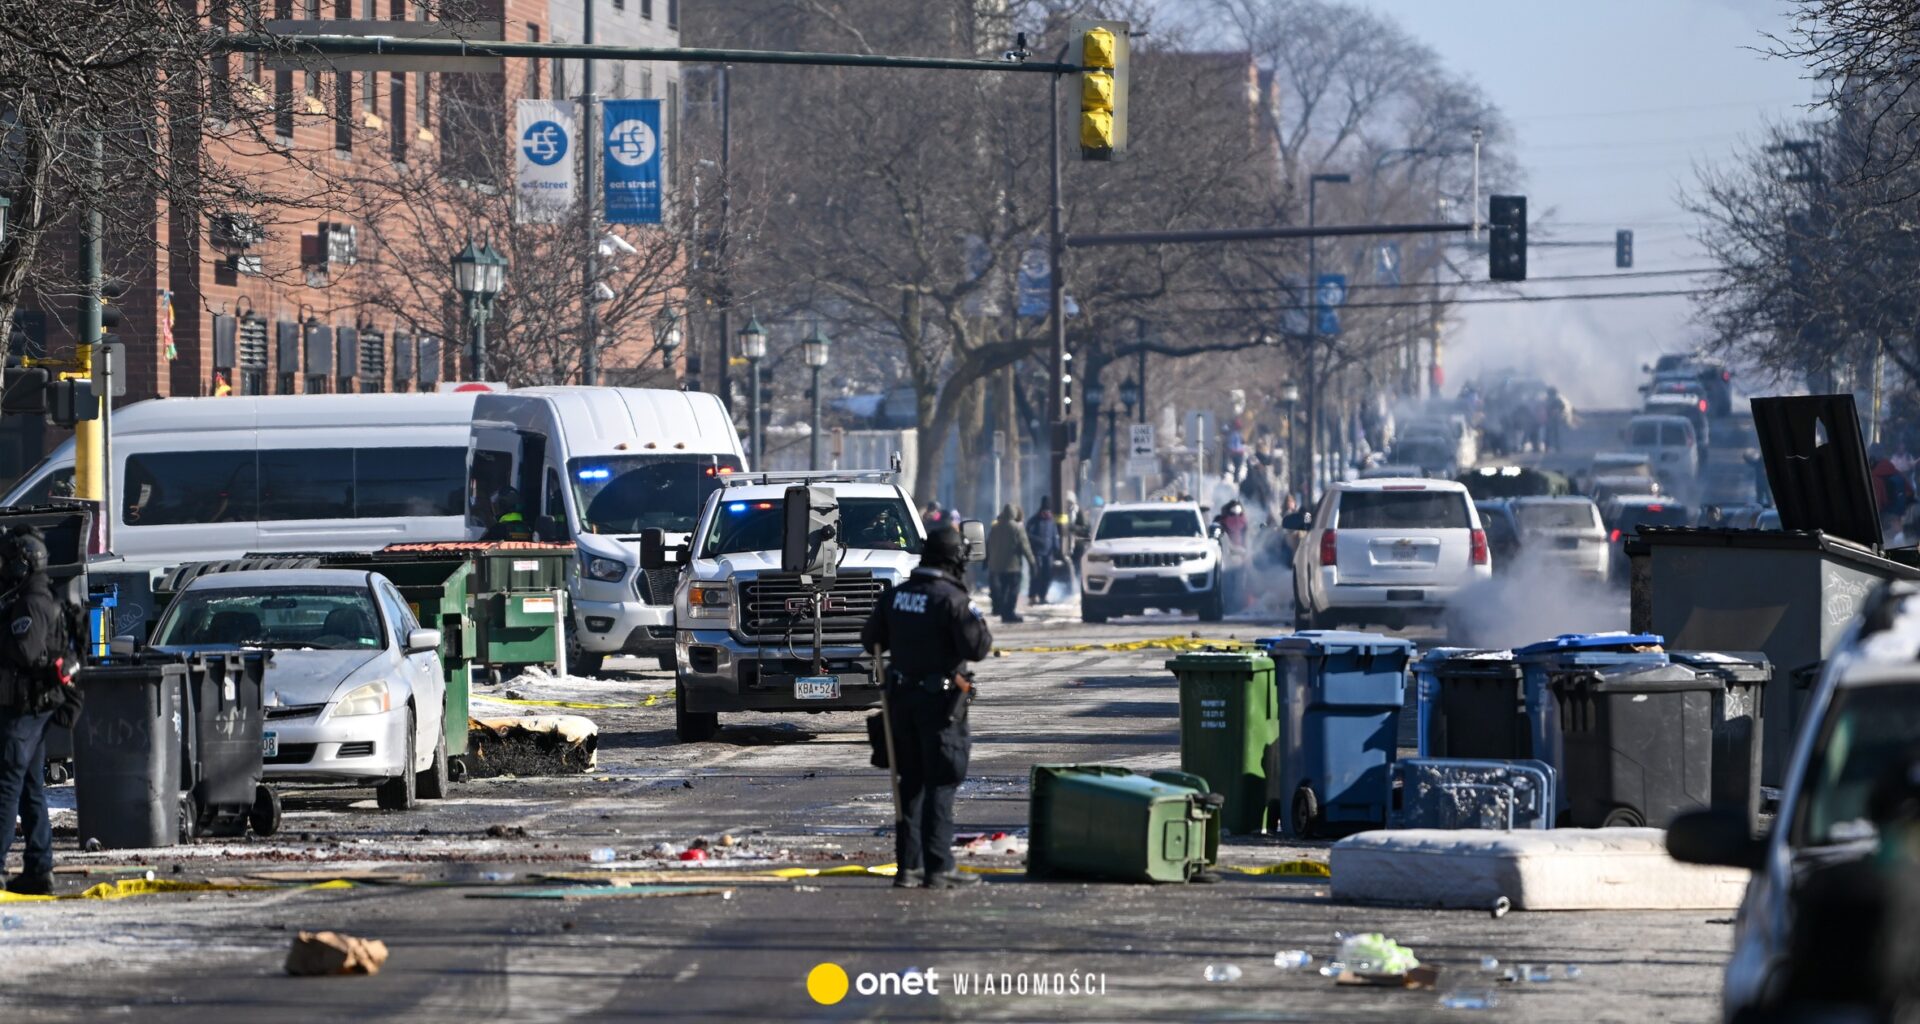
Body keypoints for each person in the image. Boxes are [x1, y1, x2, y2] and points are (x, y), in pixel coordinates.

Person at [861, 527, 993, 890]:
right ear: (954, 559)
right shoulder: (951, 599)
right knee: (942, 779)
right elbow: (977, 648)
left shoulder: (897, 596)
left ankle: (909, 867)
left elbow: (870, 639)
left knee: (912, 781)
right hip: (940, 705)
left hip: (901, 702)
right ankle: (939, 866)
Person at [0, 529, 81, 896]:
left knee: (7, 786)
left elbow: (27, 653)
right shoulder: (36, 596)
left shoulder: (32, 601)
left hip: (27, 708)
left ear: (24, 562)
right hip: (35, 707)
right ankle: (38, 868)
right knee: (31, 789)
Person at [984, 505, 1034, 624]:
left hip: (996, 565)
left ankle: (999, 609)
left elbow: (989, 544)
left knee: (1000, 589)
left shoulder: (995, 527)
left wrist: (986, 560)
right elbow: (1025, 546)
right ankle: (1009, 613)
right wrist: (1032, 563)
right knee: (1013, 590)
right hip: (1013, 566)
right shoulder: (1017, 528)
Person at [1025, 498, 1059, 604]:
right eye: (1045, 511)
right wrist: (1038, 541)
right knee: (1036, 575)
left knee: (1047, 576)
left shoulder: (1052, 522)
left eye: (1049, 511)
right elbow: (1027, 536)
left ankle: (1043, 596)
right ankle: (1032, 596)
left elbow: (1055, 536)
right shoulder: (1033, 521)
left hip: (1048, 555)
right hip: (1037, 554)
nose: (1047, 514)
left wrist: (1056, 548)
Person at [1544, 387, 1571, 453]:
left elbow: (1562, 407)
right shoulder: (1556, 399)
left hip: (1550, 419)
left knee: (1549, 434)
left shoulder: (1548, 400)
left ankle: (1548, 447)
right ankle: (1556, 447)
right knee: (1555, 434)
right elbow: (1562, 407)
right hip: (1553, 418)